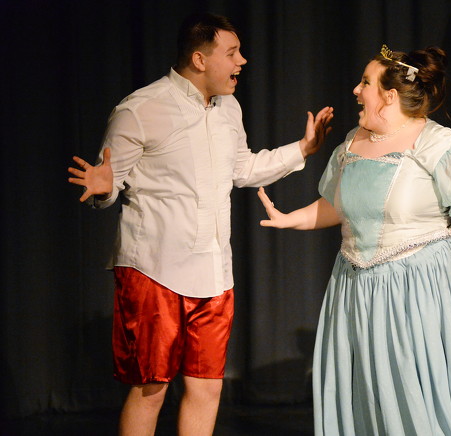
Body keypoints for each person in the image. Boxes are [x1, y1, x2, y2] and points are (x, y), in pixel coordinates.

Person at [67, 12, 333, 436]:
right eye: (232, 53)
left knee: (208, 389)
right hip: (154, 270)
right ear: (199, 59)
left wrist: (302, 149)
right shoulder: (140, 110)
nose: (242, 61)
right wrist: (104, 187)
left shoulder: (229, 108)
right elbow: (109, 182)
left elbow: (243, 169)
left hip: (214, 273)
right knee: (150, 389)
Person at [258, 44, 451, 435]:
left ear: (389, 96)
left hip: (420, 287)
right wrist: (290, 219)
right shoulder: (352, 143)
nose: (356, 90)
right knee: (373, 391)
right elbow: (338, 204)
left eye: (365, 83)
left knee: (415, 386)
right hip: (357, 287)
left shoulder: (435, 142)